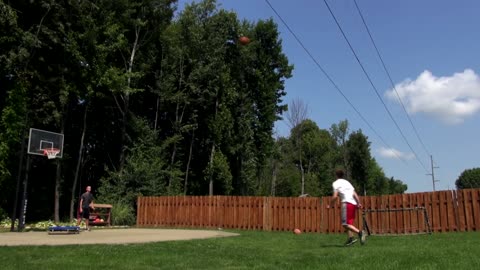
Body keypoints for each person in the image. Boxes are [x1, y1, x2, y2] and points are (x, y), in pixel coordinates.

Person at [328, 169, 366, 246]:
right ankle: (350, 238)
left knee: (345, 224)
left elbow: (335, 196)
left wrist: (330, 205)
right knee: (349, 223)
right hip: (353, 204)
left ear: (336, 175)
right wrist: (359, 203)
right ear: (343, 175)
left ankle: (360, 233)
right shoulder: (347, 182)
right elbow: (354, 194)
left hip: (347, 203)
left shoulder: (335, 183)